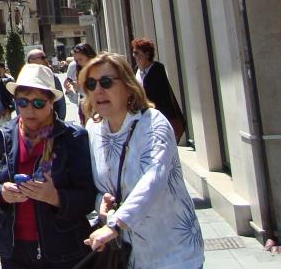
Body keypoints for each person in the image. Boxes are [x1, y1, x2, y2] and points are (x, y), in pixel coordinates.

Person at [81, 52, 204, 267]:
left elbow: (153, 179)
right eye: (91, 84)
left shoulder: (153, 123)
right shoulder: (93, 128)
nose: (98, 90)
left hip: (173, 254)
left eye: (106, 82)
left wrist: (115, 224)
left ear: (129, 87)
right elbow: (100, 186)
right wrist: (102, 203)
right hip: (128, 256)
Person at [0, 64, 95, 269]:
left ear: (52, 102)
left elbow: (88, 197)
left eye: (38, 103)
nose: (30, 110)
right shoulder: (1, 137)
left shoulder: (72, 138)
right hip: (14, 252)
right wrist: (1, 193)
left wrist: (55, 197)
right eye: (22, 102)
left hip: (63, 251)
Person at [131, 38, 186, 143]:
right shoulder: (136, 71)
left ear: (147, 54)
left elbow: (163, 98)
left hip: (158, 116)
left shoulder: (157, 69)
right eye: (134, 53)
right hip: (143, 118)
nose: (134, 56)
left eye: (137, 53)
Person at [27, 49, 66, 122]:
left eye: (45, 57)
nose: (45, 60)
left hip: (51, 121)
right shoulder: (24, 79)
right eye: (42, 58)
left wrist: (61, 120)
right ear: (31, 60)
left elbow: (61, 101)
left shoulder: (52, 77)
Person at [64, 43, 96, 125]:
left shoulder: (98, 71)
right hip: (85, 111)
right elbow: (77, 100)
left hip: (97, 110)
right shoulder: (78, 71)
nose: (78, 63)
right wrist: (69, 91)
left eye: (80, 59)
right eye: (76, 60)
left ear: (90, 56)